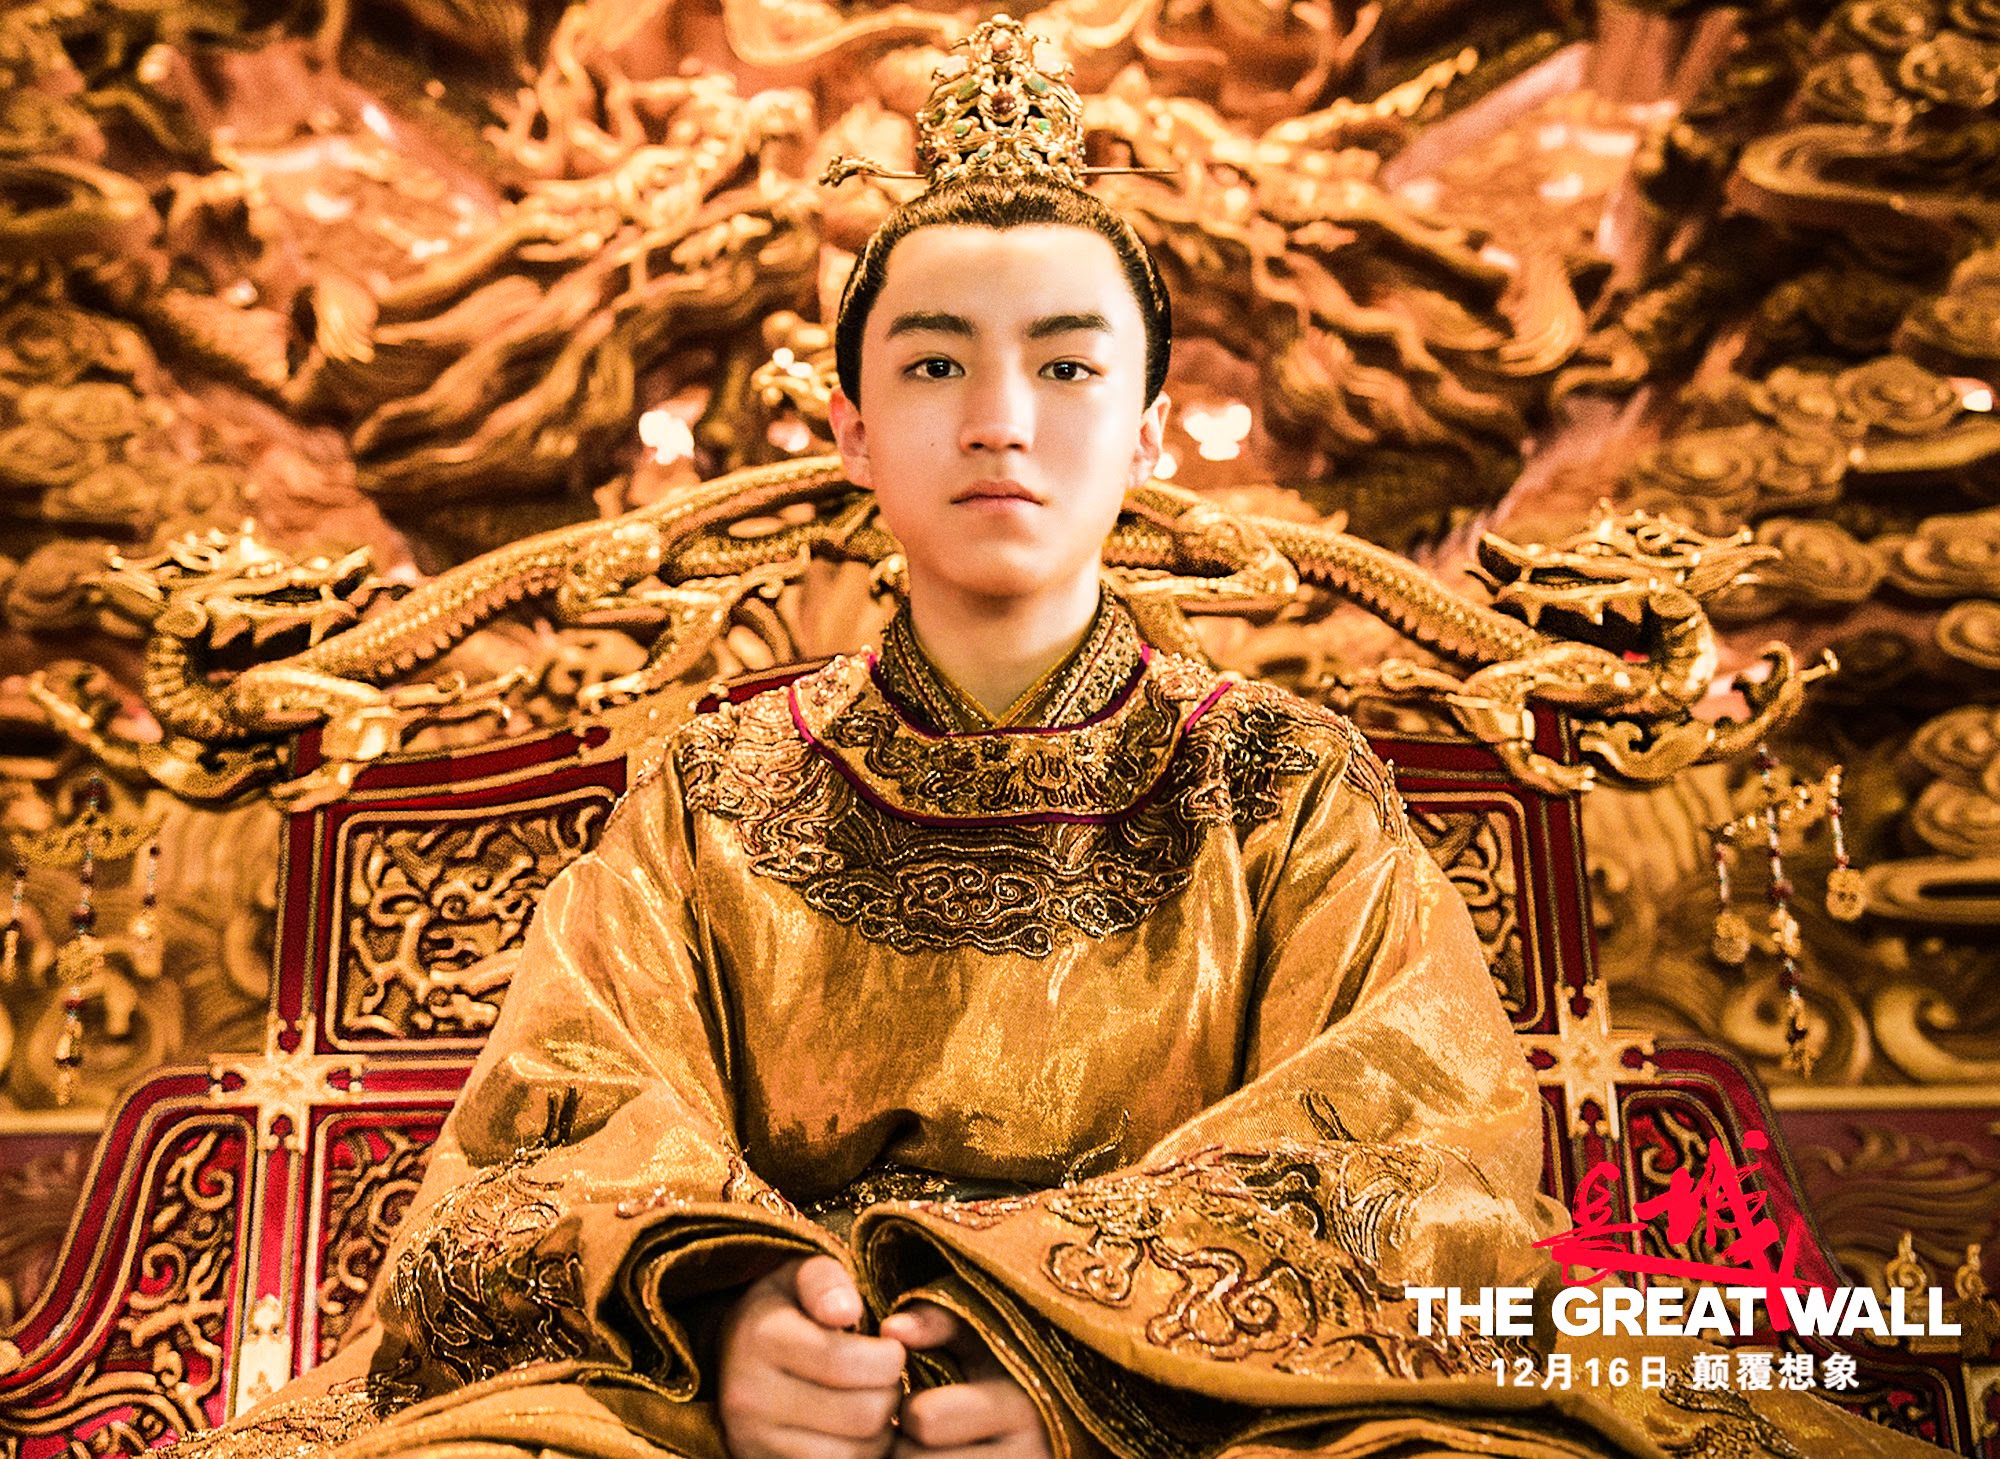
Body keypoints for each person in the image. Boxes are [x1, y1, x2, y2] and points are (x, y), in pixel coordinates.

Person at [167, 16, 1941, 1459]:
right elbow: (541, 1152)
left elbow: (1419, 1173)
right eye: (935, 365)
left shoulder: (1287, 787)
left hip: (1201, 1411)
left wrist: (1079, 1361)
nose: (1001, 420)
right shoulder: (711, 795)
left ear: (1150, 432)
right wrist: (735, 1318)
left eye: (1069, 366)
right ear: (851, 430)